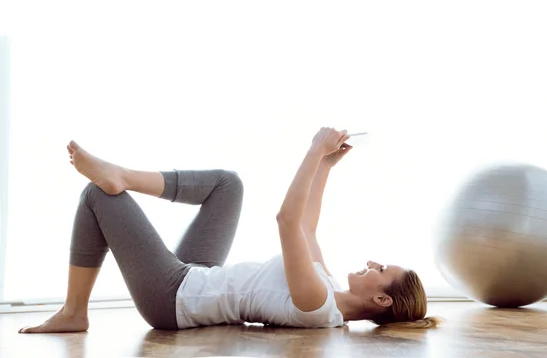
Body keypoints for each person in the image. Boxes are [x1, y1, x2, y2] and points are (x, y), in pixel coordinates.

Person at [18, 127, 439, 333]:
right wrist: (326, 166)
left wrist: (313, 150)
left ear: (382, 297)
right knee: (228, 185)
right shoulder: (325, 288)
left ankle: (75, 312)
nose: (371, 262)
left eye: (381, 267)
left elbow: (288, 222)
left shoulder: (317, 303)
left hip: (172, 299)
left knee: (99, 197)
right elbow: (308, 226)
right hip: (198, 277)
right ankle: (123, 174)